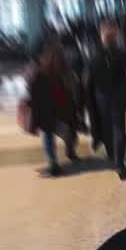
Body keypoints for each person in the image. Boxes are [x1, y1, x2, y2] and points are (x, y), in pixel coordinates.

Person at [28, 43, 81, 177]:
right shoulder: (67, 73)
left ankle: (53, 162)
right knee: (68, 132)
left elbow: (34, 95)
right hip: (63, 111)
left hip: (47, 113)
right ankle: (69, 152)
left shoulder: (40, 73)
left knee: (48, 136)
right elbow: (75, 92)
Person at [90, 24, 126, 179]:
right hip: (119, 95)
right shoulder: (123, 53)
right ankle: (120, 163)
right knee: (119, 128)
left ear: (102, 37)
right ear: (115, 37)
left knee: (107, 126)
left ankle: (111, 154)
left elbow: (90, 77)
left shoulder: (94, 54)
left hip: (102, 96)